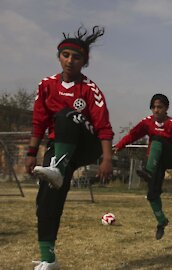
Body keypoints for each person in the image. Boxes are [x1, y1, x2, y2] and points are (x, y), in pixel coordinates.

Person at [25, 26, 113, 269]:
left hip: (86, 144)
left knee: (65, 116)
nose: (70, 61)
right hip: (58, 147)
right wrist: (32, 153)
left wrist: (107, 158)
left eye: (76, 57)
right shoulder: (46, 85)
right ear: (59, 57)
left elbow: (103, 127)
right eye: (66, 55)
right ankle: (48, 259)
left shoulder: (90, 90)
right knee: (46, 201)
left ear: (84, 61)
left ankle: (58, 168)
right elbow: (39, 122)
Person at [114, 94, 172, 240]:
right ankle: (161, 222)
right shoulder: (147, 122)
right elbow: (133, 134)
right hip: (156, 162)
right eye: (153, 107)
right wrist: (120, 145)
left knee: (157, 138)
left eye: (159, 107)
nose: (156, 110)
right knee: (152, 195)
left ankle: (147, 172)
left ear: (166, 108)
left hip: (169, 157)